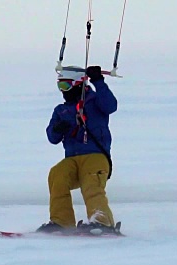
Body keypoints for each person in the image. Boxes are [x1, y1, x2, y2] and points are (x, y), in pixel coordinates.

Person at [37, 65, 120, 235]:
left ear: (78, 84)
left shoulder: (95, 101)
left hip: (96, 156)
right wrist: (58, 129)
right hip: (73, 159)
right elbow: (52, 138)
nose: (62, 91)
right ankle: (62, 222)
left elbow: (111, 106)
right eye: (60, 86)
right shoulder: (61, 110)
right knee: (57, 174)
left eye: (66, 86)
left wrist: (98, 81)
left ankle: (103, 222)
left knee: (91, 185)